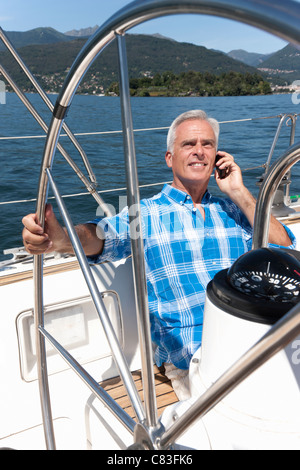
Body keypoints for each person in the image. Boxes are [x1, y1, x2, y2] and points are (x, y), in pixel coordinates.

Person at [22, 110, 295, 400]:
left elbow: (284, 248)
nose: (200, 152)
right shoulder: (146, 214)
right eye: (189, 144)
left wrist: (239, 192)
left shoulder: (234, 210)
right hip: (198, 354)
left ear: (218, 156)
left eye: (208, 145)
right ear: (169, 158)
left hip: (256, 335)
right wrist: (62, 238)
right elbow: (100, 236)